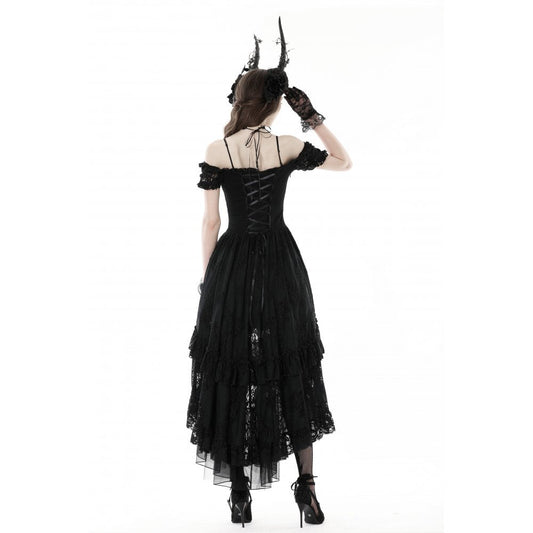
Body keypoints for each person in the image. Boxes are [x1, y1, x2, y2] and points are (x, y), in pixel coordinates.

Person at [186, 17, 352, 527]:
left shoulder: (218, 150)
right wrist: (312, 116)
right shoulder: (288, 146)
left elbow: (211, 222)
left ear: (240, 101)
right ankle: (307, 489)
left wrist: (210, 282)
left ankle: (239, 494)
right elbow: (343, 162)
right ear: (277, 105)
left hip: (233, 265)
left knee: (234, 367)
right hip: (280, 263)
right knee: (289, 367)